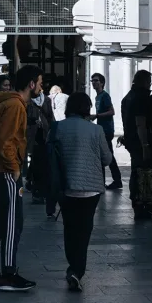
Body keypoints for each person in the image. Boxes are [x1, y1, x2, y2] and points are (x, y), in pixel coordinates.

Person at [0, 64, 42, 292]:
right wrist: (14, 169)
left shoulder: (6, 103)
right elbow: (5, 142)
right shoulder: (15, 105)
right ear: (31, 83)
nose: (41, 87)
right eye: (40, 83)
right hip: (4, 172)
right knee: (12, 223)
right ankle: (8, 273)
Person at [47, 92, 111, 292]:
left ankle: (73, 267)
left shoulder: (58, 128)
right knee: (84, 231)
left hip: (66, 188)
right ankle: (77, 270)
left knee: (69, 228)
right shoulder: (96, 130)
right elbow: (107, 159)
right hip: (91, 190)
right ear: (87, 108)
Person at [119, 70, 152, 219]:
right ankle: (140, 204)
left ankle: (138, 203)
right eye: (149, 81)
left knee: (137, 171)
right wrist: (145, 145)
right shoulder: (139, 98)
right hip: (139, 141)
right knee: (141, 172)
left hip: (132, 140)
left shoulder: (128, 97)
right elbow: (140, 123)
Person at [89, 73, 122, 190]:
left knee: (105, 155)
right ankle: (111, 180)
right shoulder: (97, 97)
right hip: (102, 129)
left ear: (102, 83)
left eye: (96, 80)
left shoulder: (105, 96)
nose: (94, 82)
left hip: (107, 130)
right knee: (105, 155)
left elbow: (112, 111)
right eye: (92, 80)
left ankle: (112, 180)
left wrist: (97, 115)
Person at [27, 85, 56, 213]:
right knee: (35, 164)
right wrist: (32, 121)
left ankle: (40, 191)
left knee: (43, 165)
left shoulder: (47, 100)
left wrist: (53, 132)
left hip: (45, 136)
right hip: (33, 137)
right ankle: (36, 191)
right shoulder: (27, 101)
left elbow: (51, 117)